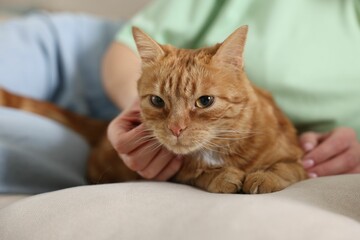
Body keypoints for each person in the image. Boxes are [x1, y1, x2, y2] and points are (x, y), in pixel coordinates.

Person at [0, 0, 359, 194]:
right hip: (100, 66)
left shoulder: (260, 128)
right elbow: (131, 47)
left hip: (155, 116)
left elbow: (288, 161)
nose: (177, 127)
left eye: (204, 104)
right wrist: (142, 110)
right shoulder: (163, 113)